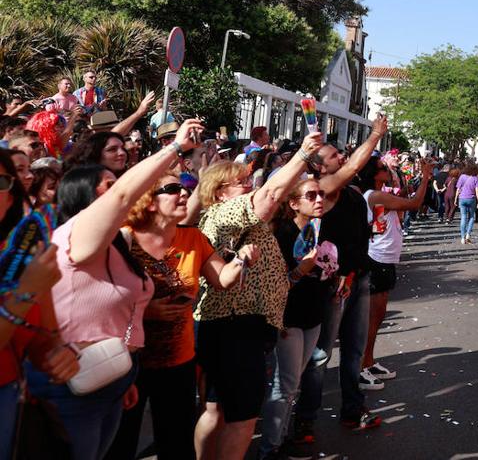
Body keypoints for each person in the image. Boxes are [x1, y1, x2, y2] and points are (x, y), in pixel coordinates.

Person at [28, 118, 204, 460]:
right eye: (109, 185)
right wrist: (175, 148)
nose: (122, 190)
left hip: (113, 376)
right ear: (85, 195)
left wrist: (123, 374)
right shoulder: (77, 236)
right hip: (73, 380)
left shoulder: (116, 242)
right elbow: (127, 194)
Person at [106, 168, 258, 460]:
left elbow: (222, 280)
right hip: (128, 360)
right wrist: (146, 311)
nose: (184, 193)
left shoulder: (193, 238)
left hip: (178, 361)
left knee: (176, 444)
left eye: (185, 188)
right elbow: (101, 297)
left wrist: (241, 259)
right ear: (149, 201)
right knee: (120, 444)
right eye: (173, 189)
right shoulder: (124, 238)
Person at [191, 131, 323, 460]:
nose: (250, 186)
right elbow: (273, 193)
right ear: (220, 193)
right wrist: (304, 154)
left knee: (216, 410)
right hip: (236, 328)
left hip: (231, 325)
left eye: (250, 181)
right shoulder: (224, 215)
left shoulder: (223, 217)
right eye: (241, 183)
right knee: (243, 417)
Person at [293, 117, 390, 439]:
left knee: (353, 349)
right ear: (320, 169)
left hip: (359, 277)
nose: (343, 158)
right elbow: (351, 168)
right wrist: (375, 134)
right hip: (334, 286)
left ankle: (353, 409)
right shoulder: (324, 190)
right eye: (335, 156)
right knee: (321, 355)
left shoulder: (349, 192)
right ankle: (305, 419)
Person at [0, 149, 78, 460]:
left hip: (9, 402)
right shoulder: (30, 277)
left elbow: (46, 342)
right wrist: (24, 294)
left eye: (2, 182)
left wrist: (60, 357)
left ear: (9, 198)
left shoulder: (25, 259)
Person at [258, 177, 335, 460]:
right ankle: (269, 449)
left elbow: (320, 269)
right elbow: (274, 285)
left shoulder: (315, 229)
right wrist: (300, 271)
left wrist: (334, 278)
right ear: (293, 203)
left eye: (321, 194)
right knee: (286, 383)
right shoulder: (282, 234)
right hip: (287, 318)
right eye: (311, 195)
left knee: (294, 382)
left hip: (312, 314)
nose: (319, 200)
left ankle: (279, 438)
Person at [357, 156, 430, 386]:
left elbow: (401, 202)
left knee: (377, 317)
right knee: (372, 317)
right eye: (383, 168)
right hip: (376, 258)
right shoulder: (375, 195)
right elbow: (414, 204)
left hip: (385, 258)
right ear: (373, 173)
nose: (388, 170)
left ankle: (368, 361)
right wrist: (426, 175)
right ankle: (361, 366)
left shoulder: (381, 194)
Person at [454, 163, 478, 244]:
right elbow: (477, 191)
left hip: (462, 198)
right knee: (471, 217)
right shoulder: (475, 178)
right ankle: (468, 235)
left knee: (463, 217)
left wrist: (456, 199)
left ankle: (462, 237)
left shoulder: (462, 177)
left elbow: (458, 189)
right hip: (471, 198)